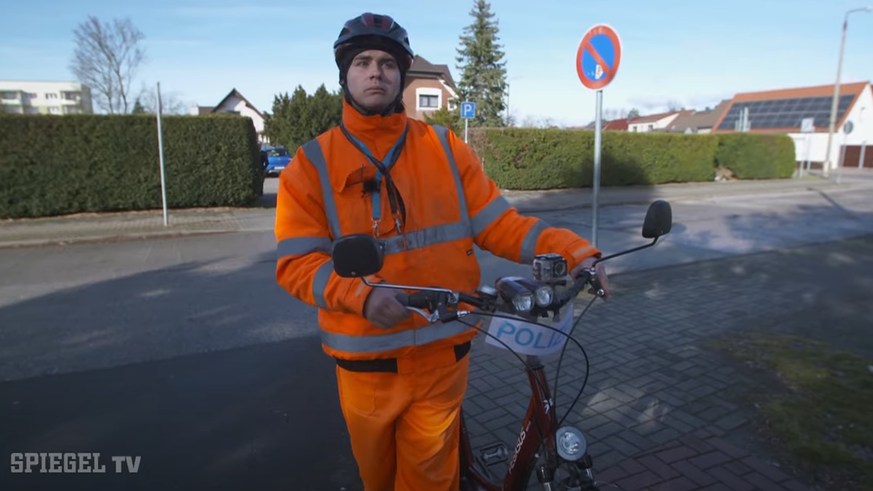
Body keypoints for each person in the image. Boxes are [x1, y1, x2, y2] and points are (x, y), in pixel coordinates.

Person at [274, 12, 609, 491]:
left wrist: (576, 251)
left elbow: (503, 225)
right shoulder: (311, 164)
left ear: (401, 76)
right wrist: (361, 296)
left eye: (387, 63)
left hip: (441, 358)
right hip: (367, 369)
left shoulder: (446, 149)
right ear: (345, 75)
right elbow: (296, 264)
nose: (376, 72)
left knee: (430, 480)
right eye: (363, 62)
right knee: (378, 479)